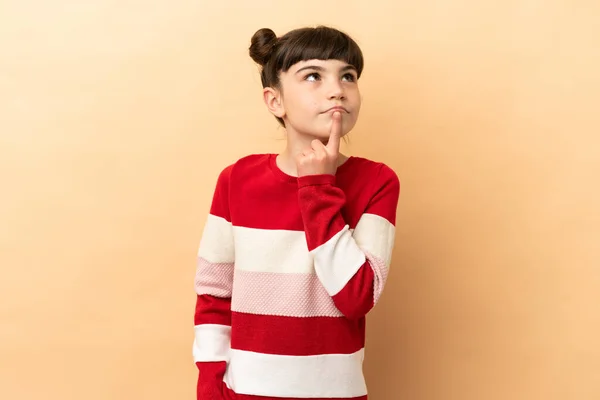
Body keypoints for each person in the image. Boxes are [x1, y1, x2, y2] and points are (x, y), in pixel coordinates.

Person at [192, 25, 400, 400]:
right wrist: (209, 385)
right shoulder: (236, 180)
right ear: (275, 102)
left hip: (336, 394)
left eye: (348, 76)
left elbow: (356, 297)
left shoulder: (377, 182)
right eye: (313, 76)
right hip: (243, 392)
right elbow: (214, 294)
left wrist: (318, 188)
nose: (337, 89)